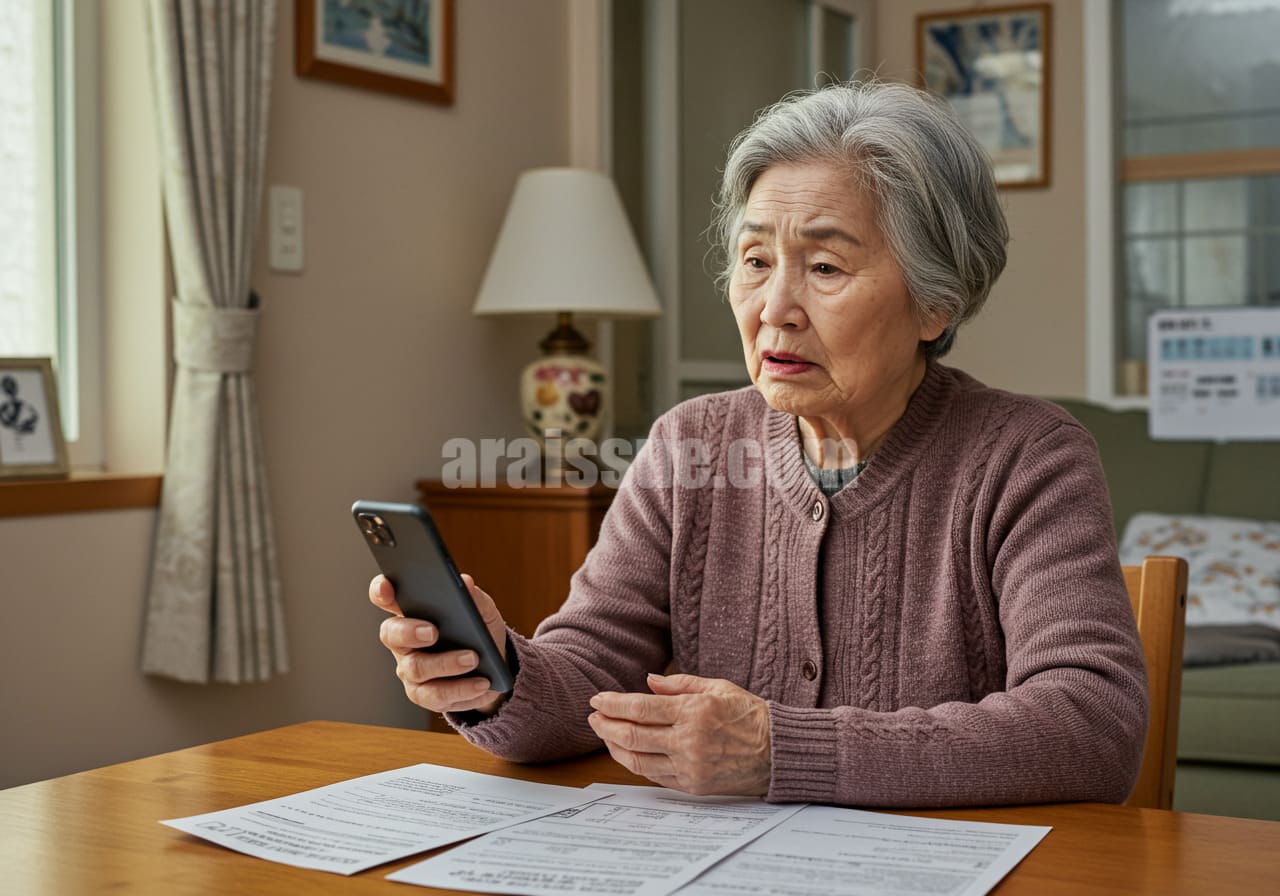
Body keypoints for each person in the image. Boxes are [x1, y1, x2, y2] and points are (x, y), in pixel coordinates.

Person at [371, 80, 1148, 809]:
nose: (775, 308)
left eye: (823, 266)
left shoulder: (1028, 457)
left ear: (935, 302)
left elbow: (1092, 724)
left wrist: (782, 750)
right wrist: (497, 676)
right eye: (755, 262)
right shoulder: (690, 445)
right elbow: (590, 677)